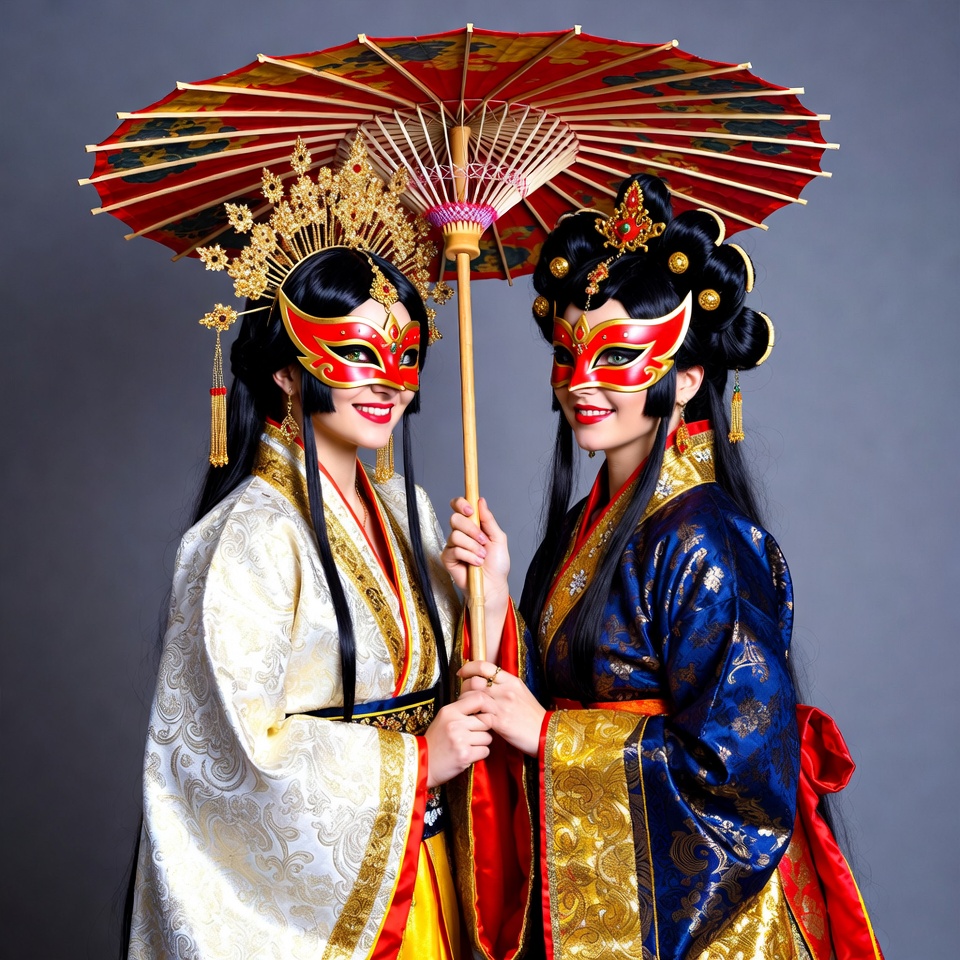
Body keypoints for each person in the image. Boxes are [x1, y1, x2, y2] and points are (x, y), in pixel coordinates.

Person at [445, 175, 884, 959]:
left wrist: (551, 738)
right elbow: (553, 695)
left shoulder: (707, 538)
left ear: (686, 378)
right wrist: (493, 605)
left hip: (701, 921)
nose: (582, 382)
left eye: (616, 357)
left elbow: (740, 776)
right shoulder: (585, 530)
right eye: (569, 352)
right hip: (597, 894)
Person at [125, 139, 499, 959]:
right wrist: (414, 765)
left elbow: (456, 688)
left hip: (425, 865)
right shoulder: (244, 536)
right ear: (289, 374)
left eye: (405, 358)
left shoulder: (411, 509)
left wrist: (488, 592)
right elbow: (226, 757)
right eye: (356, 354)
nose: (388, 382)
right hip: (334, 900)